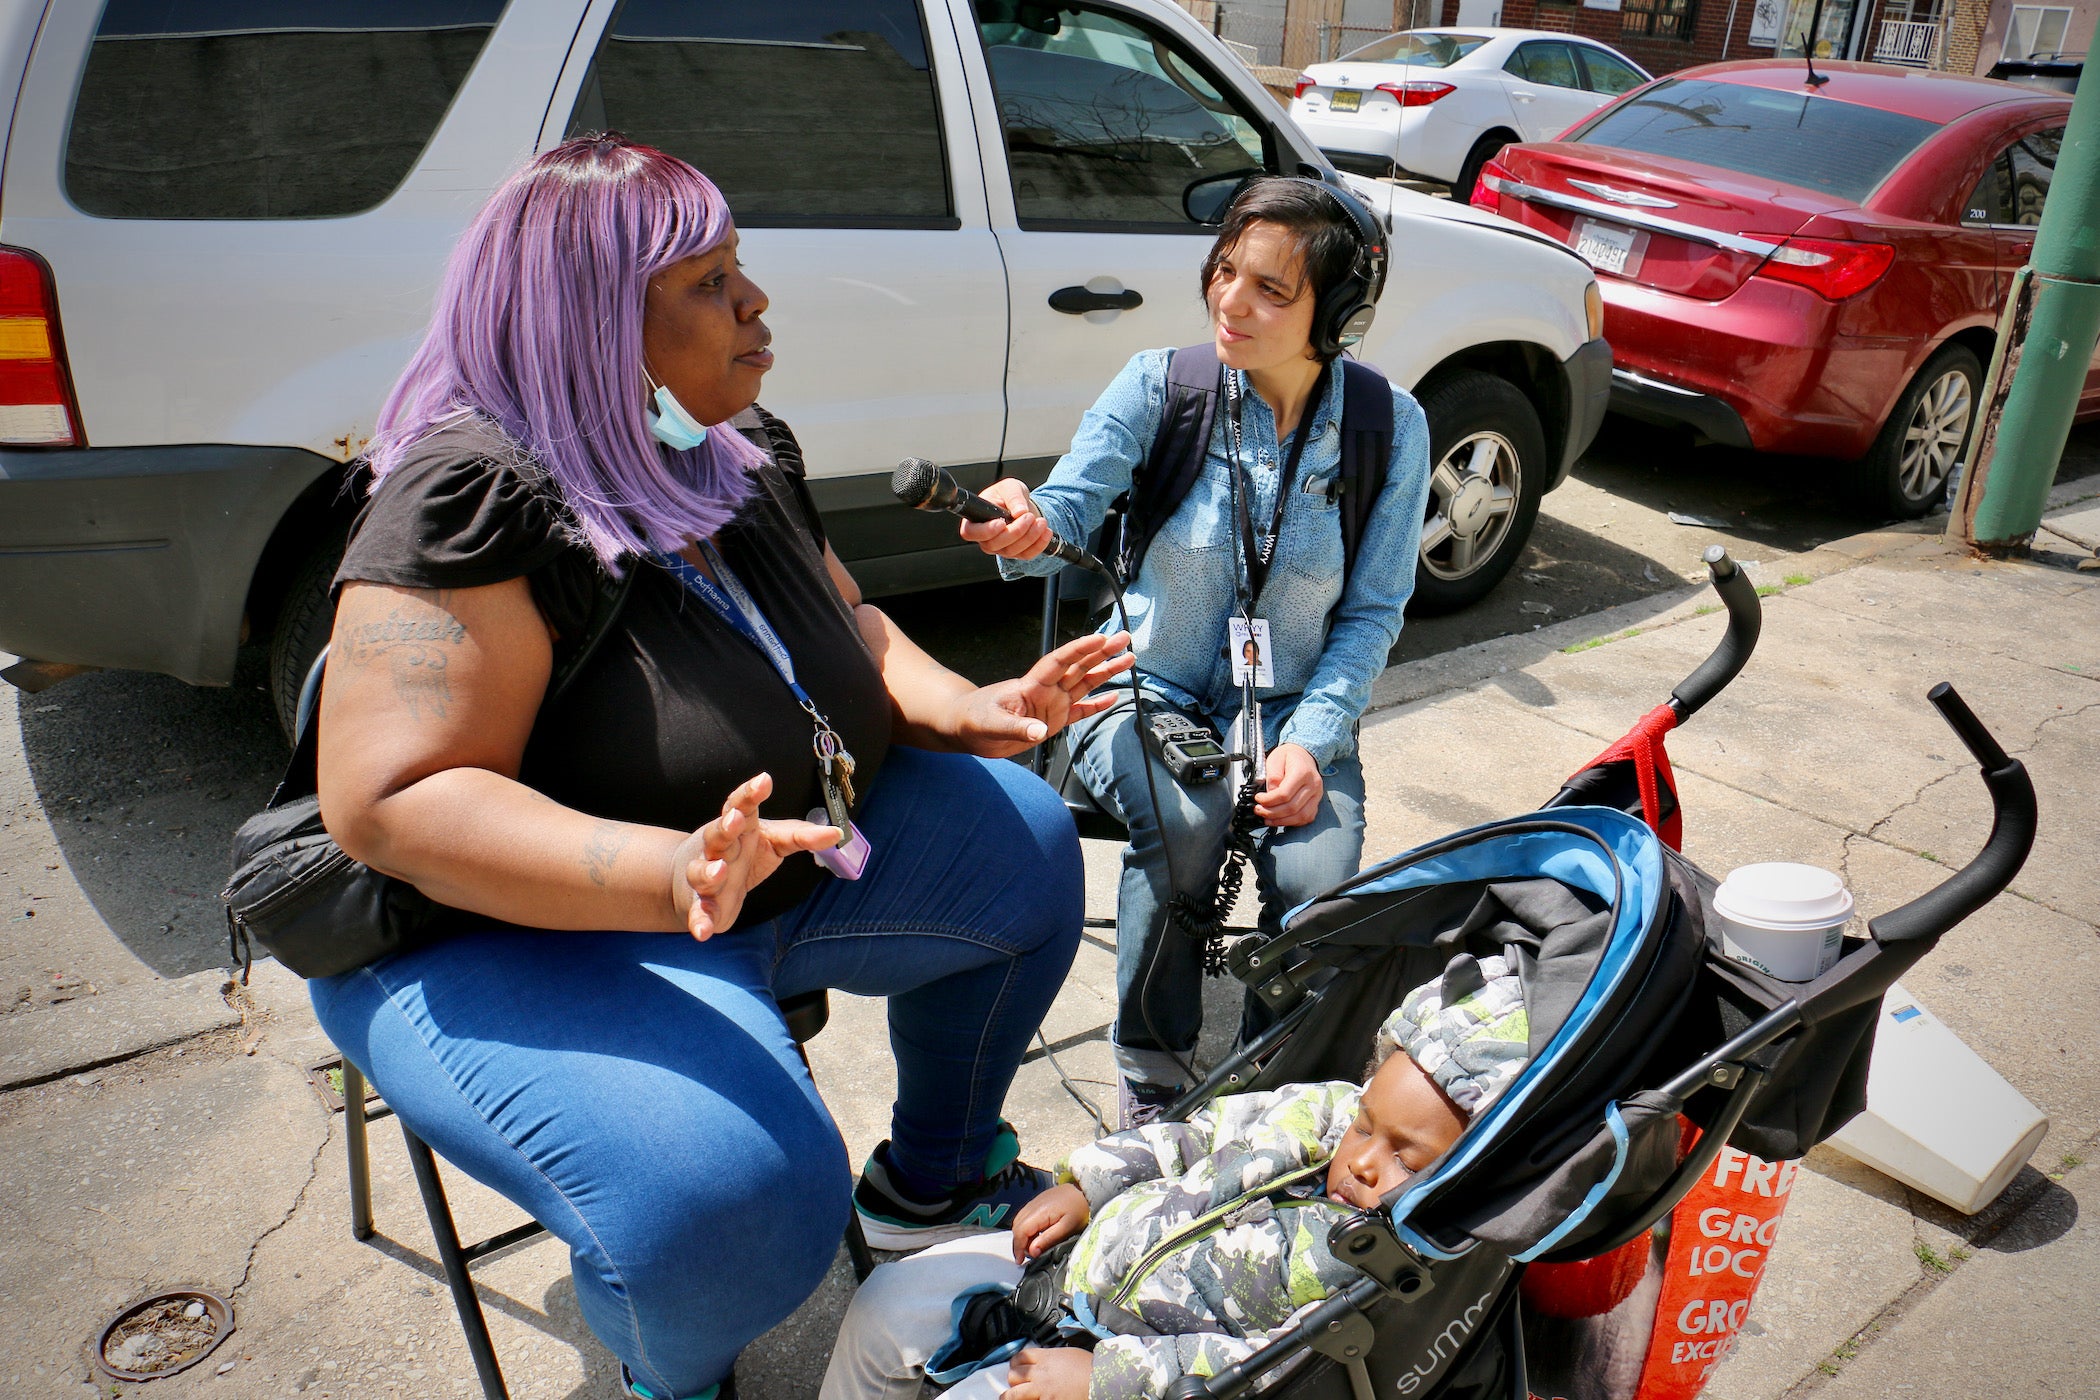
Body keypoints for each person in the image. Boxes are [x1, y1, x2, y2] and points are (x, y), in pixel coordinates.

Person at [308, 134, 1131, 1400]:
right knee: (737, 1199)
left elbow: (846, 624)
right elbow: (389, 799)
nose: (754, 303)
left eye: (738, 267)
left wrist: (965, 705)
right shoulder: (475, 494)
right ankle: (676, 1373)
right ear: (587, 319)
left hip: (756, 871)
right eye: (706, 282)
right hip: (508, 932)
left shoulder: (732, 446)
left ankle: (934, 1178)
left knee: (1026, 845)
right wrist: (665, 868)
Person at [965, 177, 1432, 1126]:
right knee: (1188, 823)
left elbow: (1375, 611)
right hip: (1140, 683)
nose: (1231, 302)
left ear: (1340, 315)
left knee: (1321, 882)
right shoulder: (1159, 386)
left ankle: (1274, 1082)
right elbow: (1064, 513)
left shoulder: (1393, 428)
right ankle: (1153, 1062)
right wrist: (1025, 527)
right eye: (1224, 272)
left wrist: (1315, 738)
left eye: (1270, 290)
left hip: (1297, 707)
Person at [819, 956, 1532, 1400]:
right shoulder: (1325, 1111)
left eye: (1408, 1158)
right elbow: (1195, 1134)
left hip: (1131, 1365)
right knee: (887, 1301)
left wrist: (1105, 1382)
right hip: (1078, 1263)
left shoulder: (1378, 1263)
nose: (1366, 1159)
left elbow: (1263, 1365)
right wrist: (1090, 1185)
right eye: (1368, 1126)